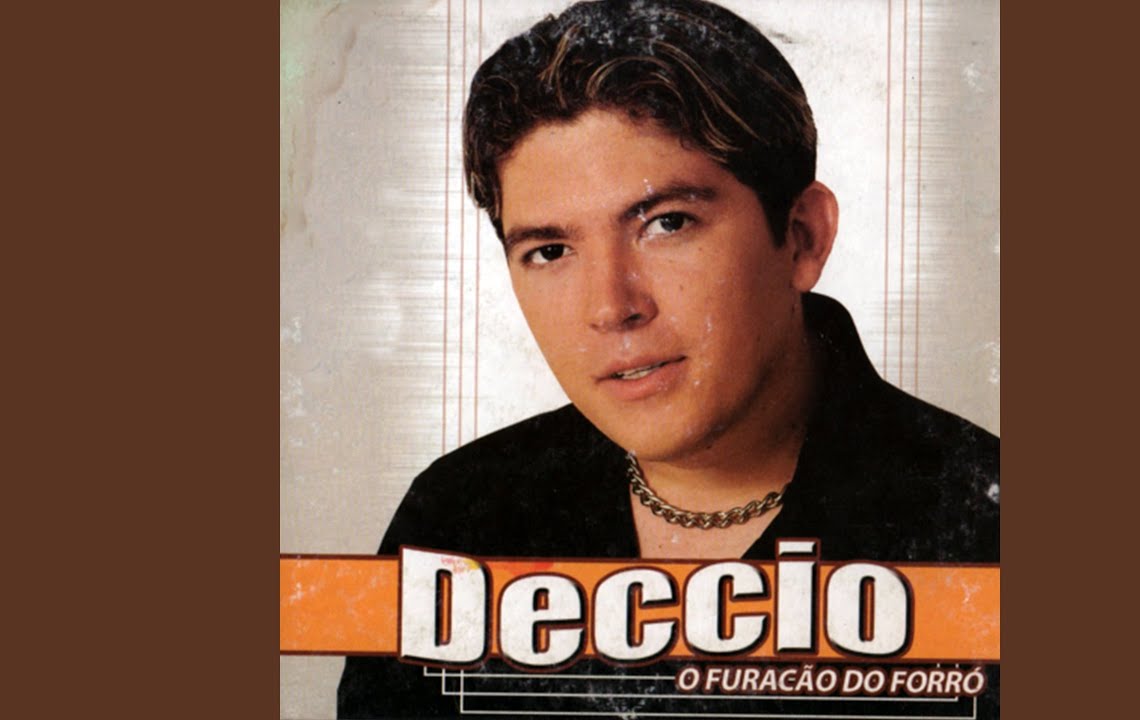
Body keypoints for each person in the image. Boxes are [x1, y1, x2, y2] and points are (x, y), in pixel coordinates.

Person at [339, 0, 999, 716]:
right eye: (550, 251)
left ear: (802, 237)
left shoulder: (985, 526)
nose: (610, 306)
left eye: (667, 223)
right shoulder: (457, 519)